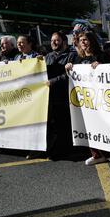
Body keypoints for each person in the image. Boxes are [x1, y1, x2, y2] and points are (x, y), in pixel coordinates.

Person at [65, 31, 110, 166]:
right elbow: (73, 77)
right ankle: (96, 154)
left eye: (85, 40)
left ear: (91, 40)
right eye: (80, 40)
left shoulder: (101, 55)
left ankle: (108, 152)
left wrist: (101, 66)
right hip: (85, 100)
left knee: (102, 126)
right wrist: (68, 68)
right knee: (88, 126)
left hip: (100, 99)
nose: (83, 43)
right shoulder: (77, 58)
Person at [44, 31, 75, 159]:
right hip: (50, 97)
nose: (53, 43)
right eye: (52, 41)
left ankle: (65, 150)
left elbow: (69, 76)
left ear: (64, 41)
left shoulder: (71, 56)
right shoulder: (47, 56)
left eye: (56, 40)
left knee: (64, 124)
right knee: (54, 124)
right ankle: (55, 149)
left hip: (64, 96)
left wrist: (52, 81)